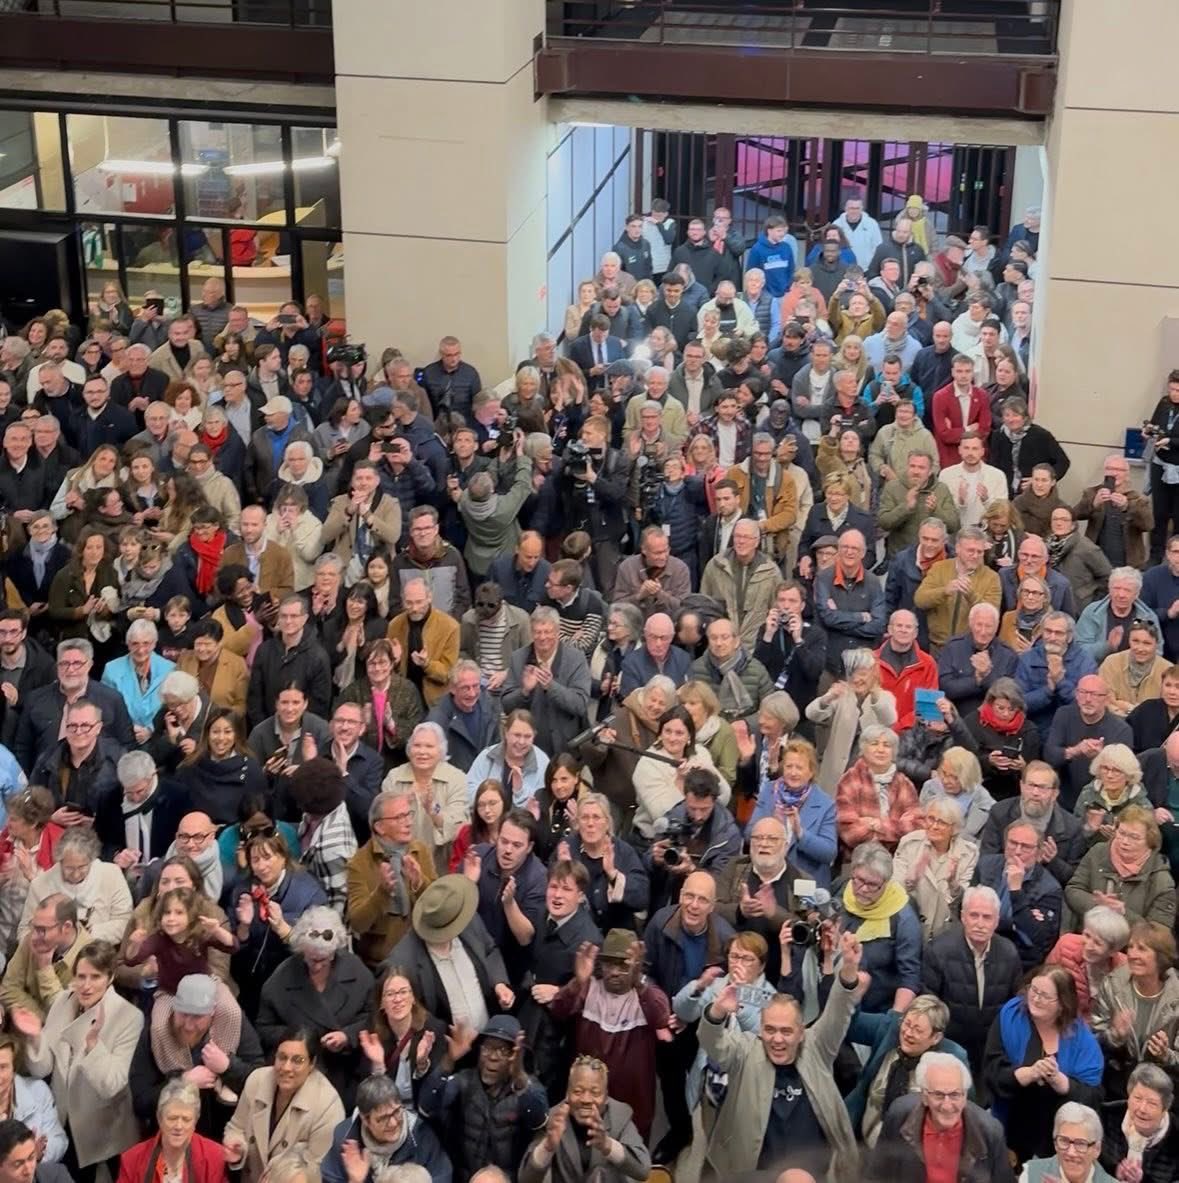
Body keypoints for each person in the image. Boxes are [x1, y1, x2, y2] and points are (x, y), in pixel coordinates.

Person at [697, 931, 864, 1181]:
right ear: (761, 1030)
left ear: (801, 1033)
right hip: (756, 1172)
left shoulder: (817, 1047)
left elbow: (839, 1011)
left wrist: (849, 969)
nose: (777, 1039)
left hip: (812, 1173)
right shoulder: (745, 1051)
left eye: (786, 1031)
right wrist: (719, 1010)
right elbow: (712, 1041)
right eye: (770, 1030)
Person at [13, 939, 143, 1183]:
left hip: (103, 1132)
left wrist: (94, 1048)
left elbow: (112, 1085)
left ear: (111, 977)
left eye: (95, 977)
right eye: (80, 976)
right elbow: (43, 1068)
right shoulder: (63, 1001)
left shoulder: (129, 1017)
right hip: (64, 1122)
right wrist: (34, 1038)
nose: (86, 986)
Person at [983, 966, 1104, 1165]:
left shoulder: (1081, 1038)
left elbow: (1093, 1096)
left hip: (1057, 1140)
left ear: (1062, 1004)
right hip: (1012, 1127)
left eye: (1045, 996)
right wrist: (1024, 1074)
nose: (1036, 999)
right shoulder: (1010, 1016)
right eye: (1034, 990)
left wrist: (1062, 1083)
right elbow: (990, 1073)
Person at [256, 907, 373, 1110]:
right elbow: (264, 1027)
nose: (317, 966)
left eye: (323, 960)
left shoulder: (357, 971)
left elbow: (373, 1017)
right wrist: (299, 1039)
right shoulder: (281, 978)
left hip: (345, 1071)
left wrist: (347, 1036)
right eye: (311, 959)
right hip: (299, 1072)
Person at [382, 874, 514, 1026]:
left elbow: (489, 950)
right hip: (447, 1046)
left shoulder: (467, 920)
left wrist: (499, 983)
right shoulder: (402, 963)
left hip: (486, 1035)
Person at [921, 886, 1023, 1073]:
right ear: (962, 917)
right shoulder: (938, 951)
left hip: (992, 1050)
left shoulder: (1009, 953)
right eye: (974, 915)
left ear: (997, 921)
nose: (980, 923)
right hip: (949, 1048)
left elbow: (1014, 1006)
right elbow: (929, 1004)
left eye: (987, 917)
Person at [221, 1029, 345, 1183]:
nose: (286, 1067)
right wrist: (237, 1147)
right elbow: (236, 1127)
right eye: (282, 1057)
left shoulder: (328, 1105)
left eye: (297, 1060)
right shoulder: (257, 1080)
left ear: (312, 1064)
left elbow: (319, 1171)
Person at [868, 1052, 1014, 1183]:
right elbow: (877, 1174)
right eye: (938, 1095)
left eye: (955, 1095)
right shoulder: (899, 1115)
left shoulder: (990, 1131)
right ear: (924, 1097)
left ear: (964, 1096)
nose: (947, 1105)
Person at [228, 831, 329, 1019]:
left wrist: (284, 929)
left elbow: (320, 949)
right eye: (255, 860)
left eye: (268, 857)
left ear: (282, 857)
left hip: (296, 986)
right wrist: (244, 928)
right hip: (252, 985)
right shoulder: (241, 891)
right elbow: (234, 951)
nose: (262, 866)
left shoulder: (309, 893)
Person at [520, 1054, 649, 1183]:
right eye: (578, 1091)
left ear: (606, 1097)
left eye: (595, 1092)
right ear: (567, 1094)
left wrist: (607, 1145)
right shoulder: (553, 1119)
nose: (586, 1100)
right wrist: (546, 1147)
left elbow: (643, 1171)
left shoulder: (619, 1115)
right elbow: (526, 1180)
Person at [347, 789, 437, 971]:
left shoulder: (420, 850)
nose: (409, 822)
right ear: (379, 827)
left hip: (423, 955)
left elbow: (437, 907)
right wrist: (381, 893)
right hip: (381, 962)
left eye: (409, 814)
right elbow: (357, 923)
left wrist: (419, 884)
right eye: (399, 817)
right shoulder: (359, 863)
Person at [836, 842, 922, 1014]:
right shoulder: (843, 890)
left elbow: (909, 977)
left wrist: (891, 1021)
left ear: (886, 883)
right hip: (835, 1001)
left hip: (877, 1009)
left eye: (872, 884)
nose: (862, 889)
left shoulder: (903, 918)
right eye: (858, 880)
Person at [320, 1073, 450, 1183]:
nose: (393, 1123)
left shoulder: (421, 1135)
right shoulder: (345, 1139)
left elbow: (443, 1176)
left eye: (397, 1112)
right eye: (383, 1118)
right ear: (365, 1119)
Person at [1065, 806, 1176, 930]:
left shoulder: (1161, 880)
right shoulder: (1098, 852)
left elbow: (1158, 934)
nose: (1124, 842)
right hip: (1088, 935)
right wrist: (1097, 904)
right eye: (1121, 833)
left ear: (1150, 840)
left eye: (1134, 837)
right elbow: (1073, 889)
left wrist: (1122, 913)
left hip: (1129, 947)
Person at [500, 607, 591, 758]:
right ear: (531, 632)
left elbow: (580, 705)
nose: (542, 637)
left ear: (557, 631)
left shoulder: (576, 659)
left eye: (547, 632)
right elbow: (506, 706)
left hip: (567, 750)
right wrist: (524, 691)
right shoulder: (518, 658)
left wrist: (551, 686)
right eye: (537, 632)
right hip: (528, 750)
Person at [17, 828, 131, 945]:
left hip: (101, 953)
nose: (76, 874)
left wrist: (85, 935)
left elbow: (125, 921)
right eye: (69, 868)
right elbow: (24, 932)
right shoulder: (40, 884)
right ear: (59, 861)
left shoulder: (112, 874)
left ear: (92, 860)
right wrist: (51, 939)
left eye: (82, 867)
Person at [891, 798, 978, 940]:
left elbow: (964, 902)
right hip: (910, 926)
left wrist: (952, 883)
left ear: (954, 828)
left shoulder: (969, 853)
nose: (934, 826)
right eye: (931, 819)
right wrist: (911, 880)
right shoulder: (910, 843)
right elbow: (894, 890)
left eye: (942, 822)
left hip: (947, 932)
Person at [835, 725, 921, 858]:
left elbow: (915, 827)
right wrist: (895, 828)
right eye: (874, 744)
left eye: (887, 745)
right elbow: (849, 833)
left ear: (894, 752)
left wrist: (879, 825)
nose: (880, 750)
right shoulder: (850, 780)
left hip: (897, 860)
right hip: (856, 858)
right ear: (863, 749)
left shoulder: (904, 784)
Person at [117, 1079, 227, 1183]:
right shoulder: (132, 1159)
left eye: (186, 1119)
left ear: (195, 1122)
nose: (179, 1126)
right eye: (172, 1118)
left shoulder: (215, 1156)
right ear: (159, 1119)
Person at [1098, 1063, 1179, 1183]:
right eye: (1137, 1098)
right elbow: (1091, 1161)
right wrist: (1114, 1171)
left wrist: (1142, 1180)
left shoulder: (1176, 1136)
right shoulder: (1105, 1115)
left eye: (1151, 1103)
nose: (1142, 1109)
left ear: (1164, 1109)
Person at [1073, 455, 1153, 572]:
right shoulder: (1092, 493)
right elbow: (1074, 515)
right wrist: (1094, 504)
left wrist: (1128, 506)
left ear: (1127, 474)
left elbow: (1148, 525)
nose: (1115, 473)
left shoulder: (1138, 499)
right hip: (1095, 561)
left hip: (1127, 564)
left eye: (1120, 470)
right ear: (1105, 471)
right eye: (1110, 469)